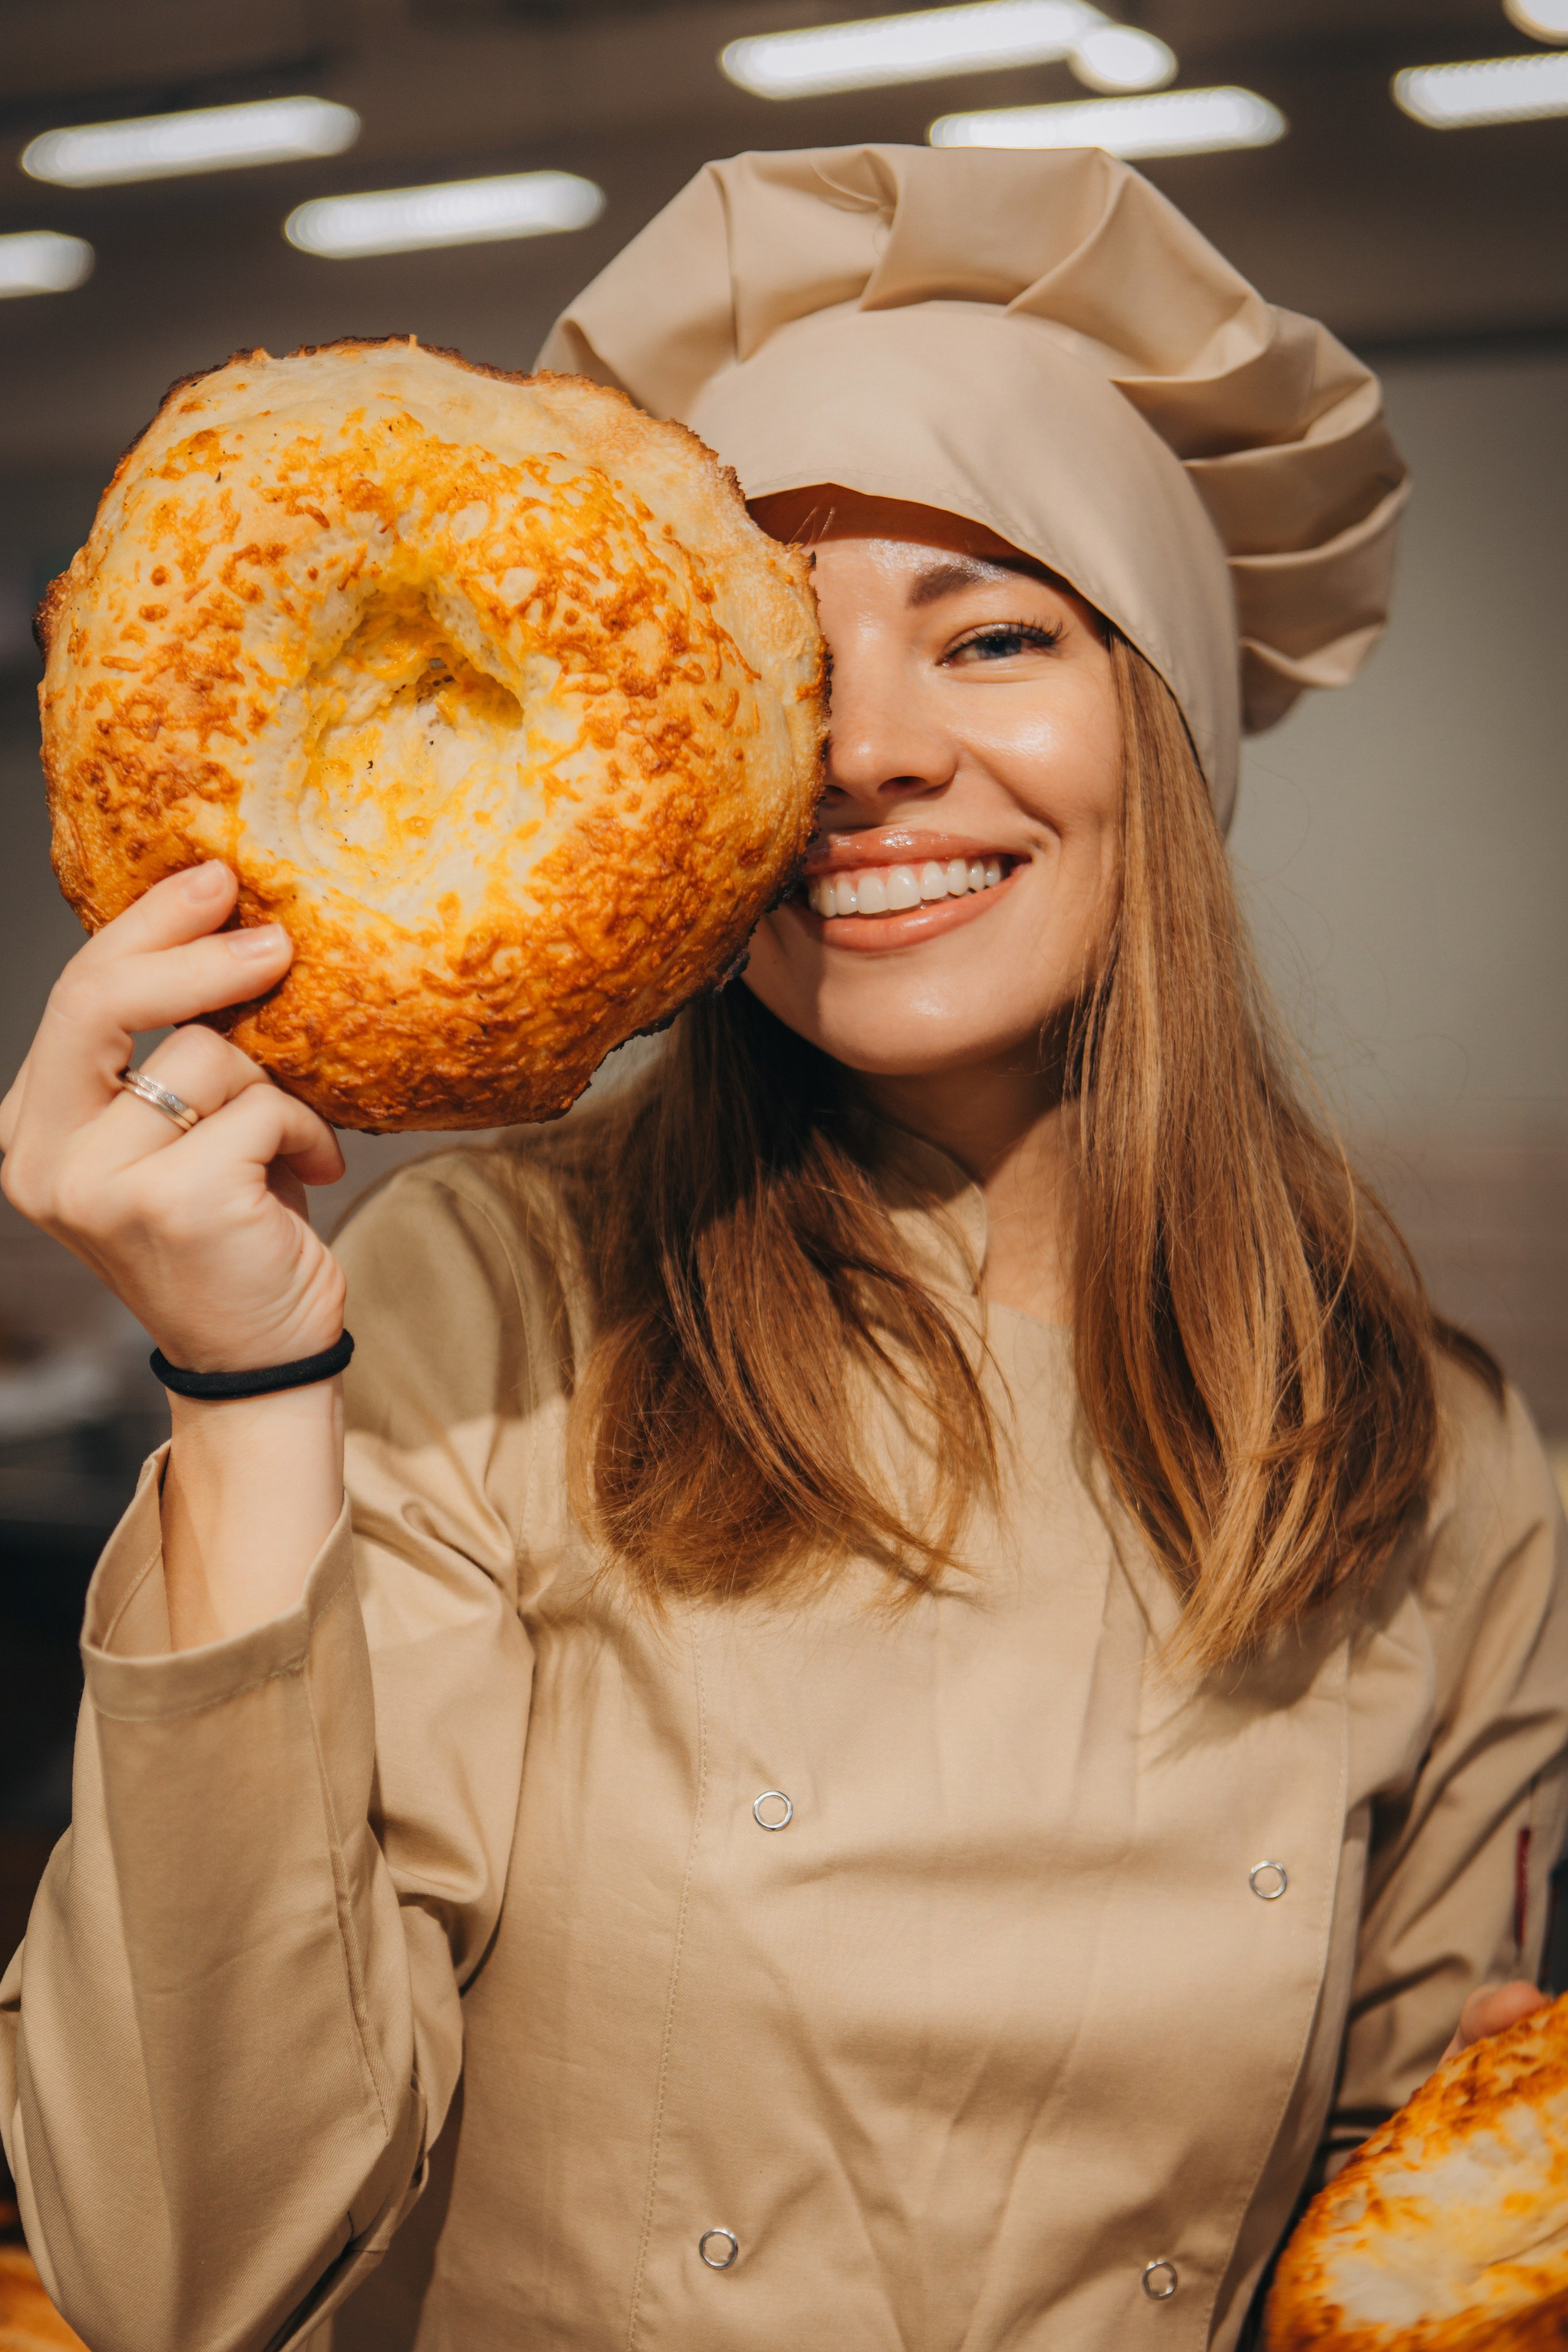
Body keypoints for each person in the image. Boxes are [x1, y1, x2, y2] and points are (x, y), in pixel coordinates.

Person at [1, 145, 1564, 2352]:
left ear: (1173, 729)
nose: (874, 758)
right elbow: (176, 2269)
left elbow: (1414, 2246)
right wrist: (240, 1382)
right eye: (796, 678)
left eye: (998, 633)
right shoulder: (486, 1319)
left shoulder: (1440, 1465)